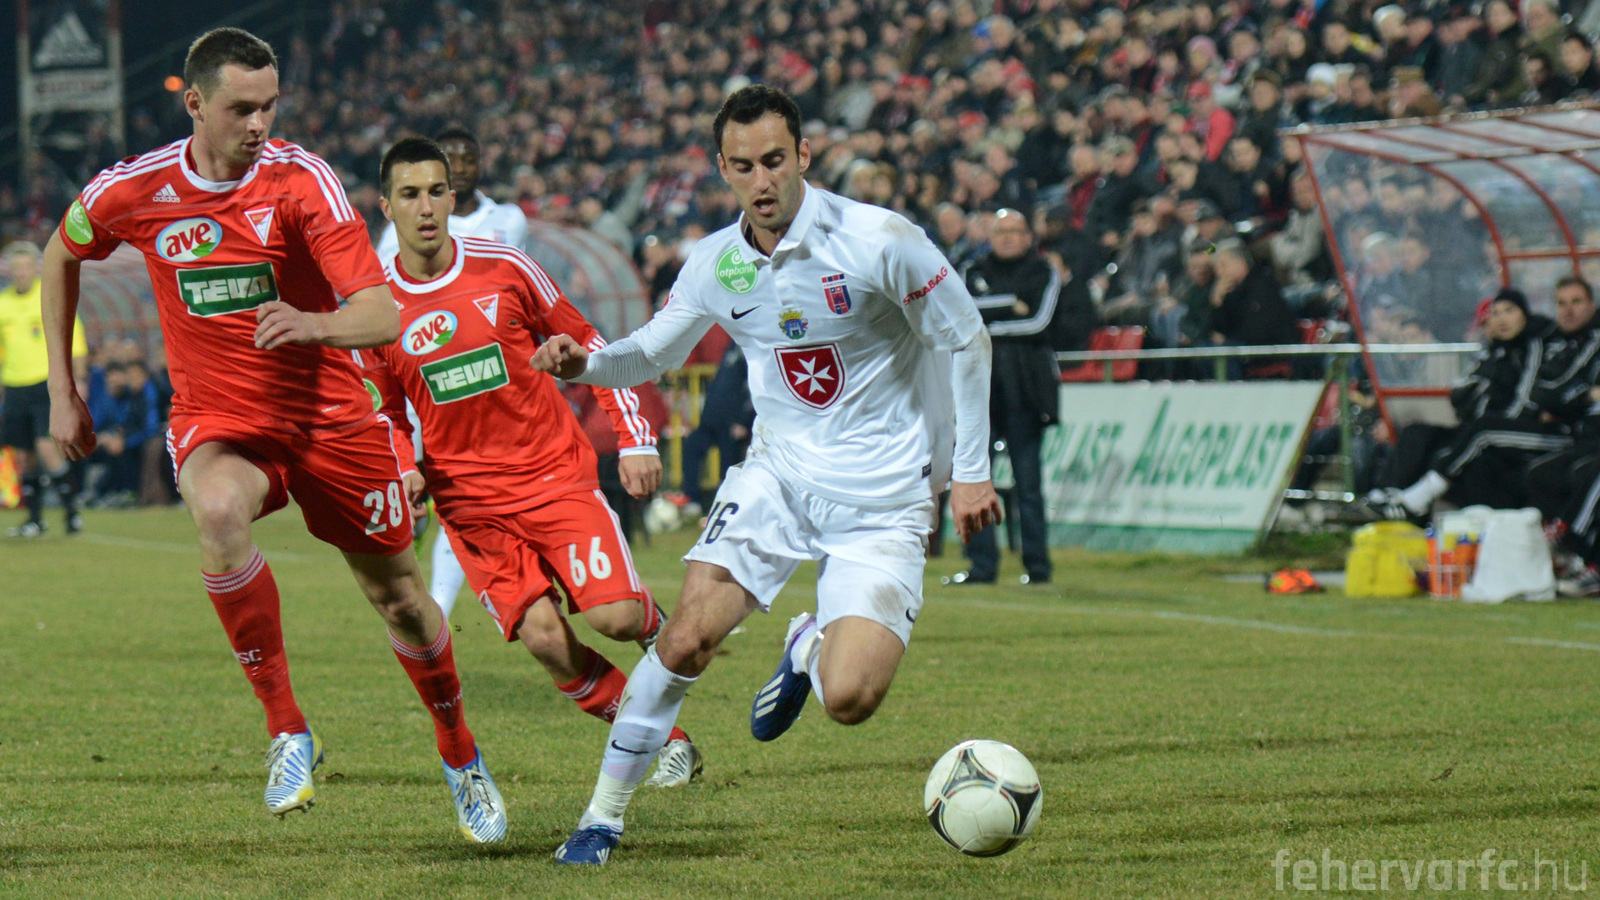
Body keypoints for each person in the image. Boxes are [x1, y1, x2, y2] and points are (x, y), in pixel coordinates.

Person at [39, 29, 505, 841]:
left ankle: (460, 753)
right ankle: (288, 730)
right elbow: (60, 253)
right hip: (221, 420)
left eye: (270, 106)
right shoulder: (135, 189)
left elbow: (380, 313)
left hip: (331, 421)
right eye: (241, 108)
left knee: (399, 600)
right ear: (194, 103)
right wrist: (62, 389)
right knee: (217, 511)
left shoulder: (301, 183)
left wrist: (312, 323)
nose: (259, 123)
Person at [531, 85, 1001, 865]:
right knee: (685, 638)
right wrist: (586, 364)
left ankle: (807, 648)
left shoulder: (881, 239)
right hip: (777, 481)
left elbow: (967, 337)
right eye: (743, 166)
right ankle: (601, 818)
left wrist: (975, 474)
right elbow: (651, 352)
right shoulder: (716, 263)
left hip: (884, 499)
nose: (762, 180)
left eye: (776, 160)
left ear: (804, 156)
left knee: (850, 698)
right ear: (722, 169)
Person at [368, 137, 703, 788]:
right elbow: (382, 411)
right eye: (409, 195)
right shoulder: (377, 308)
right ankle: (665, 741)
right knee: (547, 640)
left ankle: (659, 626)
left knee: (616, 619)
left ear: (453, 199)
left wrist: (634, 438)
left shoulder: (506, 268)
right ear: (387, 207)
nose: (425, 207)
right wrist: (402, 466)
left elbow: (587, 345)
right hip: (471, 505)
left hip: (552, 476)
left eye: (436, 192)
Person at [376, 126, 528, 619]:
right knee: (422, 490)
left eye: (468, 158)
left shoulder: (508, 221)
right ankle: (418, 547)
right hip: (425, 375)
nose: (462, 165)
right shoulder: (400, 230)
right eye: (452, 159)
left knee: (464, 496)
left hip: (487, 375)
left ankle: (443, 604)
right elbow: (385, 295)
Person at [1369, 288, 1570, 518]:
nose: (1501, 319)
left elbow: (1526, 400)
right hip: (1481, 427)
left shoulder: (1535, 346)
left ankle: (1418, 499)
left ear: (1524, 314)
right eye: (1496, 313)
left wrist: (1493, 420)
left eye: (1509, 311)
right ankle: (1387, 493)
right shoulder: (1494, 353)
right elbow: (1461, 393)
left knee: (1480, 433)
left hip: (1518, 429)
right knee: (1419, 432)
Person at [947, 208, 1057, 586]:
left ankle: (1037, 567)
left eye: (1015, 230)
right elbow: (958, 315)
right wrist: (1011, 304)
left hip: (1026, 389)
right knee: (973, 476)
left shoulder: (1043, 270)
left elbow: (1039, 322)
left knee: (1029, 484)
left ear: (1028, 236)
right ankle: (981, 565)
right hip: (979, 393)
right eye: (1000, 231)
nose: (1008, 237)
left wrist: (987, 322)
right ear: (990, 237)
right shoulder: (971, 269)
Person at [1, 240, 88, 537]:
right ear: (10, 271)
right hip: (14, 386)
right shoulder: (3, 303)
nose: (21, 273)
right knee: (24, 457)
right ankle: (35, 520)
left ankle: (72, 513)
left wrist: (80, 379)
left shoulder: (48, 295)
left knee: (47, 448)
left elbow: (75, 338)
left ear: (35, 268)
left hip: (45, 383)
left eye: (25, 267)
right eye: (16, 268)